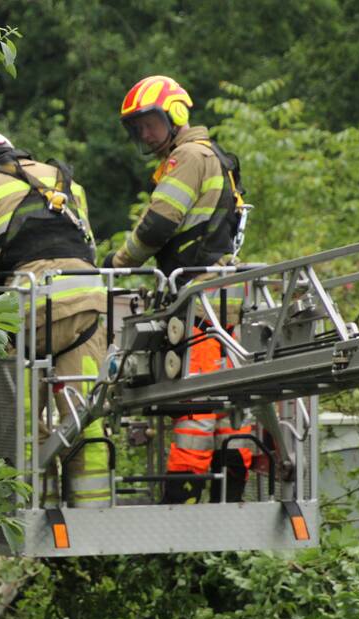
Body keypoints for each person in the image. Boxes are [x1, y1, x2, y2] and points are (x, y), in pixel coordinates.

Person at [0, 130, 109, 508]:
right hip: (87, 304)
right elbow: (89, 249)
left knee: (25, 424)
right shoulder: (66, 182)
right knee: (85, 417)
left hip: (31, 309)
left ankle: (37, 510)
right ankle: (94, 511)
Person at [102, 75, 252, 504]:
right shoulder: (214, 156)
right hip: (223, 296)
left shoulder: (186, 157)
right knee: (227, 396)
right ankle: (232, 484)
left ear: (176, 115)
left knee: (196, 399)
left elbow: (159, 223)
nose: (144, 134)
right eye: (137, 129)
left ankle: (182, 489)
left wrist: (117, 263)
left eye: (149, 123)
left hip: (198, 299)